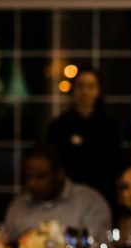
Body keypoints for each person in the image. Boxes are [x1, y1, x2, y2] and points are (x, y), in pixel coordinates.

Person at [44, 68, 123, 212]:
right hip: (67, 196)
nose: (85, 91)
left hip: (102, 193)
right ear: (73, 91)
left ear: (98, 91)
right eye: (80, 86)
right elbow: (52, 161)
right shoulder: (60, 126)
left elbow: (116, 162)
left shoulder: (109, 126)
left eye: (91, 86)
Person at [2, 144, 112, 247]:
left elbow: (102, 244)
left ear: (59, 174)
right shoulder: (18, 207)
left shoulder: (89, 202)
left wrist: (64, 237)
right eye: (28, 177)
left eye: (41, 177)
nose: (32, 183)